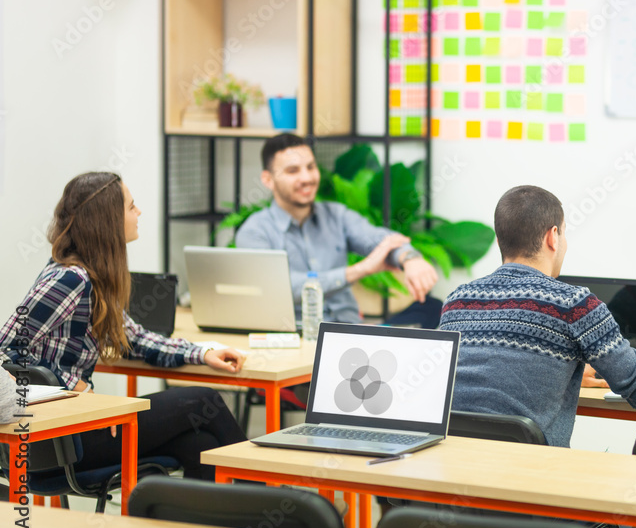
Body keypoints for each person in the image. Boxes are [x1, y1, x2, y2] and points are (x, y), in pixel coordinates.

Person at [0, 172, 248, 481]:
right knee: (203, 399)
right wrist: (65, 385)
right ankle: (262, 500)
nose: (139, 213)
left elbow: (136, 340)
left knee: (200, 446)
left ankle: (205, 525)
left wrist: (202, 352)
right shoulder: (69, 279)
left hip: (77, 429)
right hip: (59, 439)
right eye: (132, 207)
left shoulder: (92, 277)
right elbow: (5, 348)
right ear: (108, 220)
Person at [439, 185, 636, 448]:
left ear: (500, 241)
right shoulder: (575, 304)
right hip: (530, 475)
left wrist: (566, 373)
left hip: (454, 467)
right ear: (553, 237)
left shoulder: (457, 300)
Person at [235, 134, 440, 326]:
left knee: (433, 308)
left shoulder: (336, 215)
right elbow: (280, 287)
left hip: (349, 332)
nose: (306, 178)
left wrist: (410, 257)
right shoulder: (254, 232)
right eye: (292, 171)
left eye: (310, 167)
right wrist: (361, 269)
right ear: (268, 179)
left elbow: (378, 239)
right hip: (296, 337)